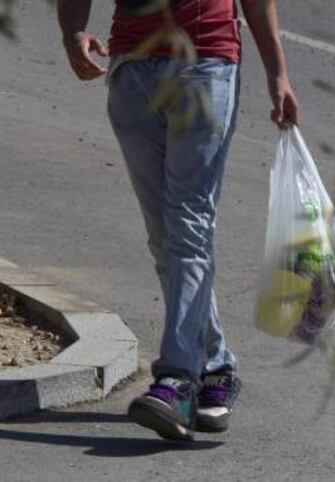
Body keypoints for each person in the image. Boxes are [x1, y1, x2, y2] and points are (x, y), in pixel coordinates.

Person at [57, 0, 299, 441]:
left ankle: (177, 380)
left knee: (188, 228)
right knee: (165, 238)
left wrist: (276, 73)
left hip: (204, 63)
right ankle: (217, 365)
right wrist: (72, 30)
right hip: (131, 69)